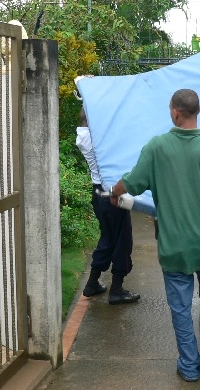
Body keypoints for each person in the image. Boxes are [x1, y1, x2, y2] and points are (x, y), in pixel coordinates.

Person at [110, 89, 200, 382]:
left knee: (180, 308)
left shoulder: (157, 147)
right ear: (198, 111)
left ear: (175, 113)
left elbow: (132, 183)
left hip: (174, 247)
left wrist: (114, 192)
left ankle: (189, 367)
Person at [76, 107, 140, 305]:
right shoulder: (102, 141)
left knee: (107, 237)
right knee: (122, 240)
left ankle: (92, 283)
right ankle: (117, 290)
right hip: (113, 195)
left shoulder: (83, 138)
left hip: (98, 194)